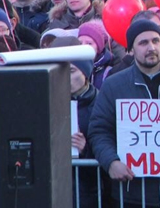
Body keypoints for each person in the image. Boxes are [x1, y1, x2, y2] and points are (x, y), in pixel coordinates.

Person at [88, 19, 160, 207]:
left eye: (156, 41)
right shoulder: (114, 85)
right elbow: (99, 131)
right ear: (131, 49)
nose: (151, 47)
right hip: (130, 194)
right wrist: (111, 161)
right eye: (143, 42)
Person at [71, 57, 99, 208]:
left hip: (91, 192)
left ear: (85, 73)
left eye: (71, 71)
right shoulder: (47, 101)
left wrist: (86, 150)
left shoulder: (102, 103)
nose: (65, 77)